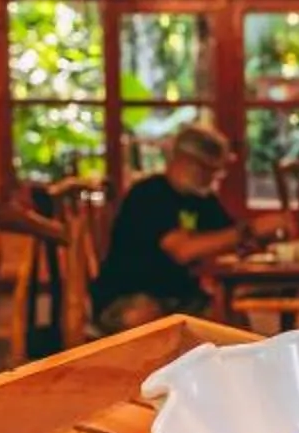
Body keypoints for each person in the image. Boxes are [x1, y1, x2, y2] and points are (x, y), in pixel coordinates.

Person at [91, 122, 242, 330]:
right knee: (145, 316)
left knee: (225, 319)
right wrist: (248, 231)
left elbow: (227, 237)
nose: (212, 177)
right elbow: (182, 250)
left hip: (184, 297)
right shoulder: (147, 195)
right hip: (129, 297)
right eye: (207, 169)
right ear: (184, 160)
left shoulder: (204, 200)